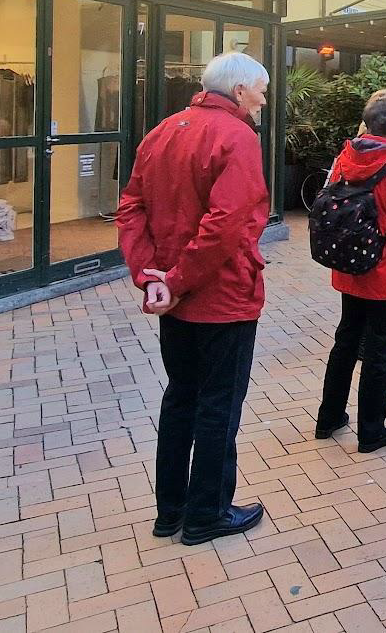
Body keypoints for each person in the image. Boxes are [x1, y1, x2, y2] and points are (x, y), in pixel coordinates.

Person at [116, 52, 272, 546]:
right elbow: (227, 223)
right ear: (241, 90)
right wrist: (173, 278)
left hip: (176, 297)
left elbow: (131, 208)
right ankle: (207, 513)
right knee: (218, 405)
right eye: (261, 90)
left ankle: (172, 510)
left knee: (181, 396)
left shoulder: (162, 131)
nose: (264, 99)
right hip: (221, 295)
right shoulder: (237, 136)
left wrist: (152, 277)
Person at [316, 94, 386, 454]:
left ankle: (329, 417)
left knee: (346, 341)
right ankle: (371, 430)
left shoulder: (346, 158)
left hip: (350, 267)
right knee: (379, 351)